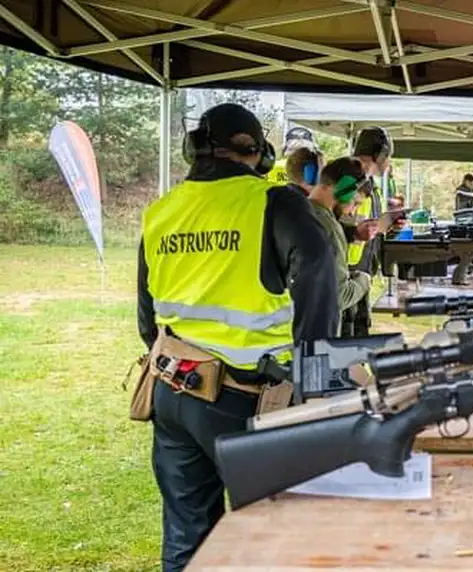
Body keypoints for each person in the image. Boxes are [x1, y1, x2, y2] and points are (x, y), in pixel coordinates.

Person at [136, 103, 338, 571]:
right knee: (266, 537)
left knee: (187, 536)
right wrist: (315, 378)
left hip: (172, 387)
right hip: (245, 397)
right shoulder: (274, 202)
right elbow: (318, 274)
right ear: (258, 152)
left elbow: (148, 321)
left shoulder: (161, 212)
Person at [309, 157, 372, 333]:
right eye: (356, 202)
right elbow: (340, 297)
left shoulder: (297, 212)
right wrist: (363, 281)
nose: (354, 210)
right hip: (318, 333)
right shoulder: (329, 227)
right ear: (345, 190)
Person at [342, 126, 393, 337]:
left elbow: (370, 223)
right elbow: (328, 222)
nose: (389, 163)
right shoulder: (346, 180)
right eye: (388, 156)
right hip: (345, 273)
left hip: (361, 271)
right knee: (346, 337)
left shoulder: (370, 185)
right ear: (380, 155)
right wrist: (354, 232)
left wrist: (389, 224)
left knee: (359, 337)